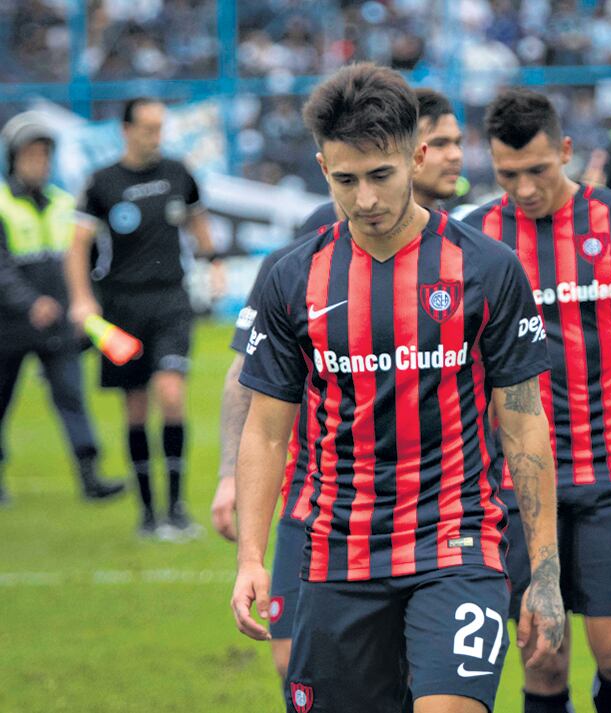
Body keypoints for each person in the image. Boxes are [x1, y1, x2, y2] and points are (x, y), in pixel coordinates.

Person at [229, 64, 564, 713]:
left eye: (381, 176)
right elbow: (267, 431)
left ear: (415, 157)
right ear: (323, 166)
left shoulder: (487, 269)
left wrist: (544, 570)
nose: (365, 200)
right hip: (336, 555)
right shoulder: (292, 276)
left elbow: (524, 426)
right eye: (345, 180)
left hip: (455, 546)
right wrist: (249, 555)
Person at [211, 87, 463, 680]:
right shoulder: (311, 245)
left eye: (456, 142)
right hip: (322, 504)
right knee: (296, 668)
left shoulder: (473, 252)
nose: (456, 155)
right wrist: (229, 474)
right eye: (445, 141)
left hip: (443, 512)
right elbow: (248, 375)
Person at [464, 88, 611, 713]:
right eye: (508, 174)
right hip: (516, 485)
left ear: (567, 151)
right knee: (545, 661)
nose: (524, 188)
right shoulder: (476, 237)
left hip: (610, 472)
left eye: (538, 171)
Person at [66, 97, 215, 539]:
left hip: (171, 299)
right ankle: (149, 516)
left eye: (160, 127)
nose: (156, 136)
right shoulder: (101, 183)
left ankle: (178, 508)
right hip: (120, 308)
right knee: (135, 407)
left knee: (171, 393)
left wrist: (214, 263)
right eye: (148, 127)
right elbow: (76, 247)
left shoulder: (178, 172)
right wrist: (81, 299)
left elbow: (198, 222)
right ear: (126, 129)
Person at [0, 111, 125, 505]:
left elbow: (83, 260)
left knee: (72, 398)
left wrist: (82, 305)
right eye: (31, 155)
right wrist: (29, 302)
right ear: (14, 158)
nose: (39, 163)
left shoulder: (64, 203)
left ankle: (91, 477)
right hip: (8, 327)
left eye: (44, 155)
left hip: (57, 326)